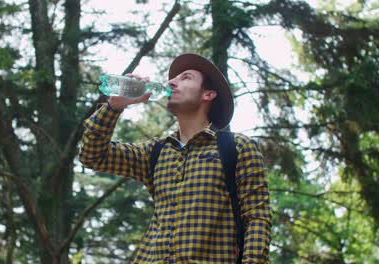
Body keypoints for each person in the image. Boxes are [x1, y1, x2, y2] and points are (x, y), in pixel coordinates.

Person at [79, 53, 271, 263]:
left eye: (186, 77)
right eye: (174, 78)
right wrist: (114, 106)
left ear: (208, 94)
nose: (171, 82)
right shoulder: (155, 152)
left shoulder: (237, 148)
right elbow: (92, 155)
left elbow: (257, 218)